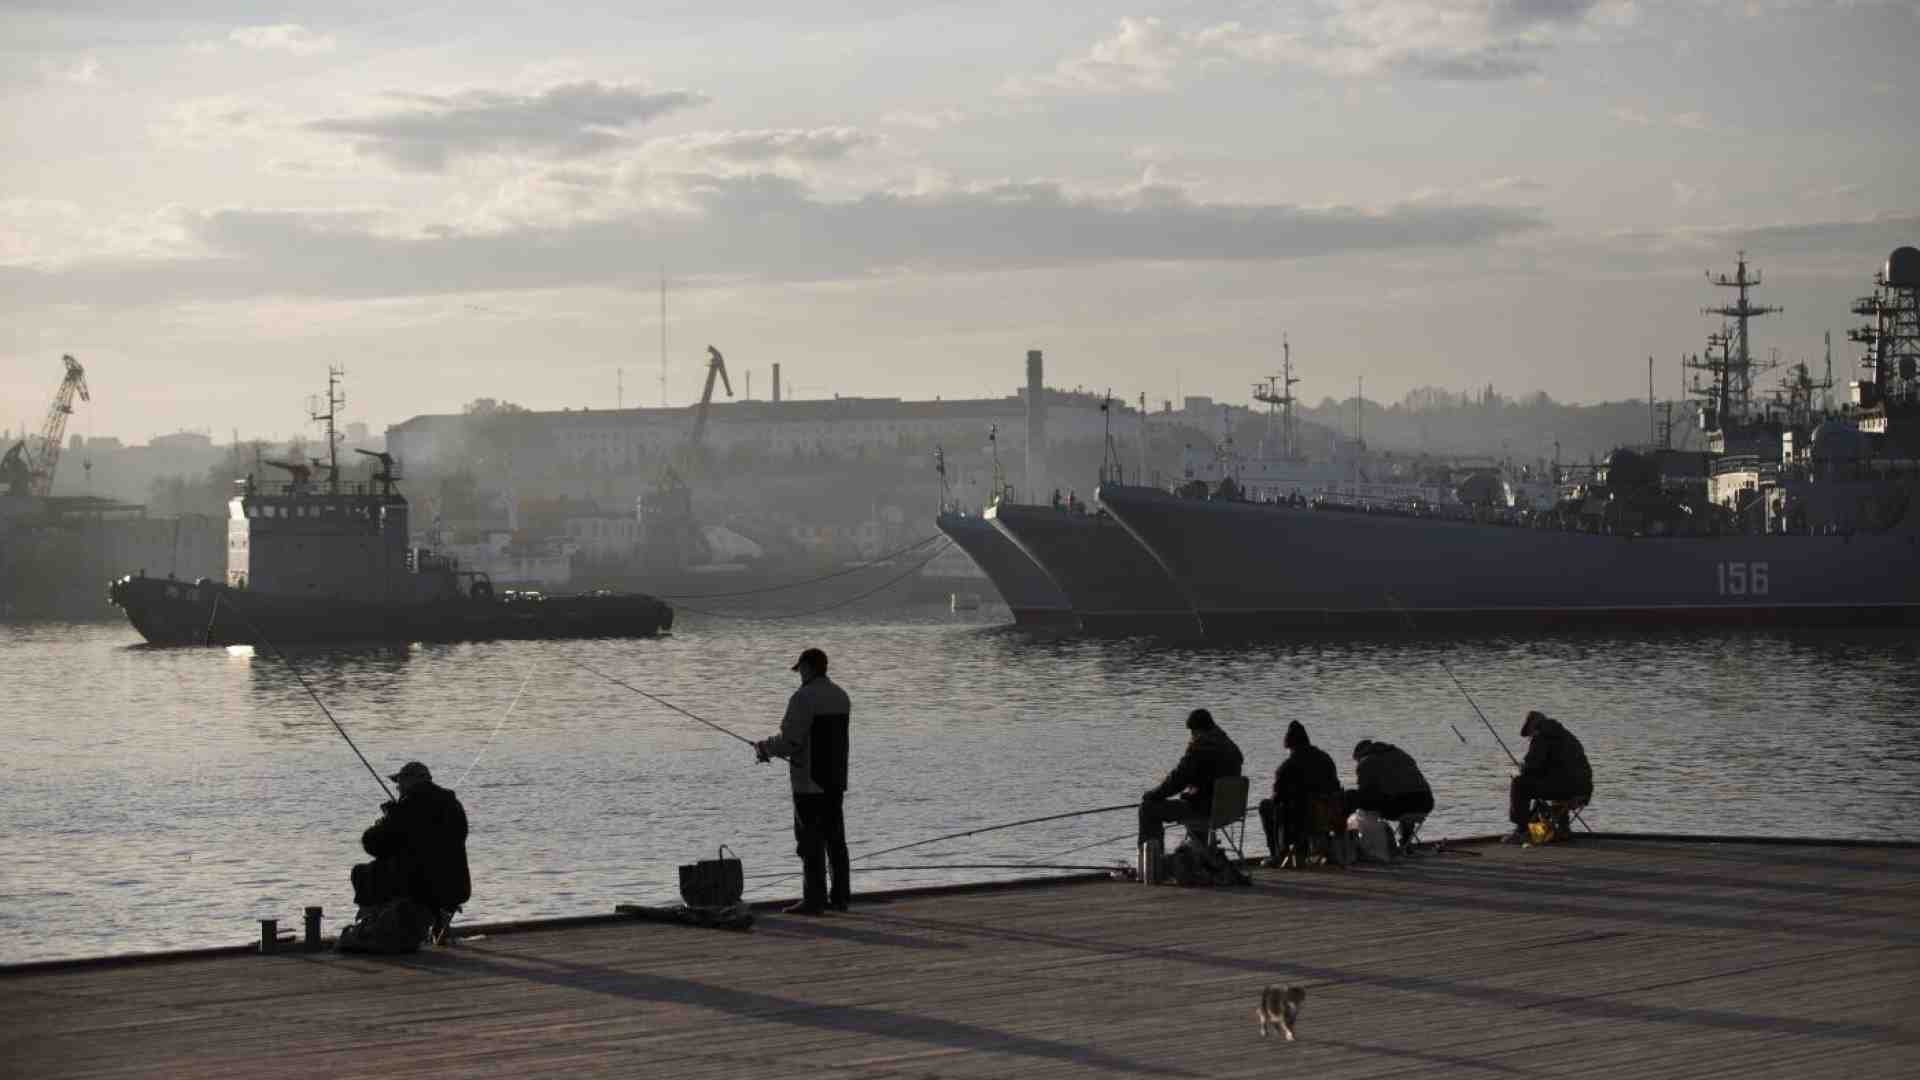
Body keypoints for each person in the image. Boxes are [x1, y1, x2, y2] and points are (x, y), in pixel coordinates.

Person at [755, 646, 852, 915]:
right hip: (835, 779)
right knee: (835, 840)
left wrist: (764, 748)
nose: (799, 675)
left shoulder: (803, 698)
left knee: (810, 842)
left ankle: (814, 900)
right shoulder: (841, 696)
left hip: (809, 783)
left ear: (808, 668)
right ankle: (841, 897)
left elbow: (791, 741)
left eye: (801, 670)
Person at [351, 761, 471, 929]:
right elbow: (422, 843)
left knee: (362, 872)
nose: (397, 789)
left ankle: (375, 924)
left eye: (399, 784)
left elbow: (374, 845)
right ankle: (437, 918)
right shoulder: (453, 805)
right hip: (457, 885)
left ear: (409, 781)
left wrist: (386, 819)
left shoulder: (408, 807)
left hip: (420, 886)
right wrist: (395, 815)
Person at [1138, 709, 1244, 848]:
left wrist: (1154, 794)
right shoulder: (1231, 747)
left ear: (1198, 730)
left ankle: (1154, 859)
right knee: (1198, 800)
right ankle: (1200, 851)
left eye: (1192, 732)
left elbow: (1177, 780)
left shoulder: (1200, 748)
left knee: (1148, 808)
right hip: (1229, 811)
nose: (1192, 736)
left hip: (1205, 811)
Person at [1258, 721, 1342, 867]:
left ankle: (1278, 853)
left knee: (1266, 806)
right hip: (1327, 816)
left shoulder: (1287, 767)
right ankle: (1310, 849)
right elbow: (1336, 787)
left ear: (1290, 746)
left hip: (1301, 820)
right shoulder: (1326, 759)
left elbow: (1277, 798)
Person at [1506, 710, 1593, 842]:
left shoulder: (1542, 736)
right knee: (1557, 783)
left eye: (1530, 735)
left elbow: (1532, 767)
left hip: (1563, 789)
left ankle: (1522, 830)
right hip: (1583, 790)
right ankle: (1563, 828)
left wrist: (1523, 768)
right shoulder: (1567, 735)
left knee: (1519, 784)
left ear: (1533, 727)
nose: (1530, 738)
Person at [1346, 739, 1435, 850]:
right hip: (1426, 803)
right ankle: (1405, 841)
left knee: (1351, 796)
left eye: (1357, 760)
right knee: (1403, 794)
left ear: (1360, 755)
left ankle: (1345, 837)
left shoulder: (1366, 762)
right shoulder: (1400, 753)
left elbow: (1364, 792)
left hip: (1402, 806)